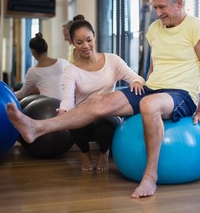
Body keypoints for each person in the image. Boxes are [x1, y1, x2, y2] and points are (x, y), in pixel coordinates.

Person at [7, 0, 200, 198]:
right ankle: (37, 128)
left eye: (161, 7)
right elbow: (155, 65)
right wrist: (144, 83)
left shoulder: (197, 28)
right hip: (153, 88)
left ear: (179, 3)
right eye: (155, 7)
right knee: (98, 101)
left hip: (181, 94)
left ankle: (150, 176)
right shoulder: (155, 29)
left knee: (148, 104)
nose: (157, 13)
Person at [58, 14, 145, 172]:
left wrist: (137, 82)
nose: (86, 45)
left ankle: (104, 152)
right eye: (79, 42)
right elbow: (68, 98)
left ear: (95, 37)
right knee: (75, 124)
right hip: (84, 114)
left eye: (89, 40)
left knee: (105, 125)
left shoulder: (113, 60)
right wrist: (64, 112)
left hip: (106, 113)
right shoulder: (70, 70)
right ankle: (85, 154)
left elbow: (135, 77)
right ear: (72, 43)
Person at [14, 32, 69, 101]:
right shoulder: (63, 62)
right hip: (67, 105)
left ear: (33, 52)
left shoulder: (33, 71)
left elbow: (22, 93)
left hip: (48, 106)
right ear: (46, 48)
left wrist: (9, 94)